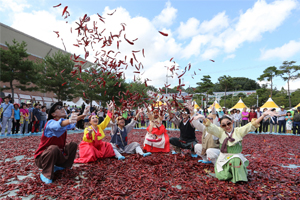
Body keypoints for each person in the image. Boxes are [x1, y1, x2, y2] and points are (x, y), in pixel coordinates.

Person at [195, 109, 277, 183]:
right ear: (221, 126)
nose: (227, 126)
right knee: (223, 176)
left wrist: (263, 115)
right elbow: (211, 127)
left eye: (228, 123)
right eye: (224, 125)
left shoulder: (238, 131)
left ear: (232, 122)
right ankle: (228, 174)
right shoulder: (220, 132)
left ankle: (239, 178)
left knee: (235, 160)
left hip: (236, 156)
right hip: (224, 157)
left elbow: (250, 126)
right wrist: (203, 118)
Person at [34, 102, 89, 184]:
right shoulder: (50, 123)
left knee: (72, 145)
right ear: (53, 114)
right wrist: (70, 120)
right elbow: (58, 125)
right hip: (42, 158)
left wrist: (84, 114)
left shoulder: (64, 123)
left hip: (57, 155)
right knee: (53, 148)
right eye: (59, 108)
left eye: (62, 107)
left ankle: (63, 166)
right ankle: (46, 174)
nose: (63, 108)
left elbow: (71, 123)